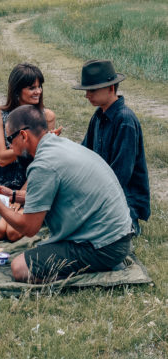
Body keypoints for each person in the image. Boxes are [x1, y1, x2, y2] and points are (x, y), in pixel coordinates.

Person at [0, 105, 133, 283]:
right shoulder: (58, 145)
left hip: (102, 247)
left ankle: (92, 269)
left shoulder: (43, 165)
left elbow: (29, 228)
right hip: (115, 238)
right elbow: (54, 194)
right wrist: (13, 196)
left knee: (20, 268)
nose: (11, 147)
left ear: (23, 135)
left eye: (10, 140)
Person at [0, 63, 60, 242]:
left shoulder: (47, 116)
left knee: (12, 233)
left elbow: (43, 163)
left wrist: (21, 196)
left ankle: (28, 210)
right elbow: (2, 158)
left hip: (32, 180)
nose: (38, 92)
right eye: (31, 88)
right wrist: (34, 144)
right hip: (4, 178)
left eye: (39, 86)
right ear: (17, 91)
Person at [73, 59, 150, 235]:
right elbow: (84, 154)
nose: (87, 95)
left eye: (92, 90)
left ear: (110, 88)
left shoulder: (125, 120)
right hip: (102, 194)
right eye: (86, 90)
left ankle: (130, 226)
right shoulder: (99, 115)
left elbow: (121, 174)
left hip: (122, 200)